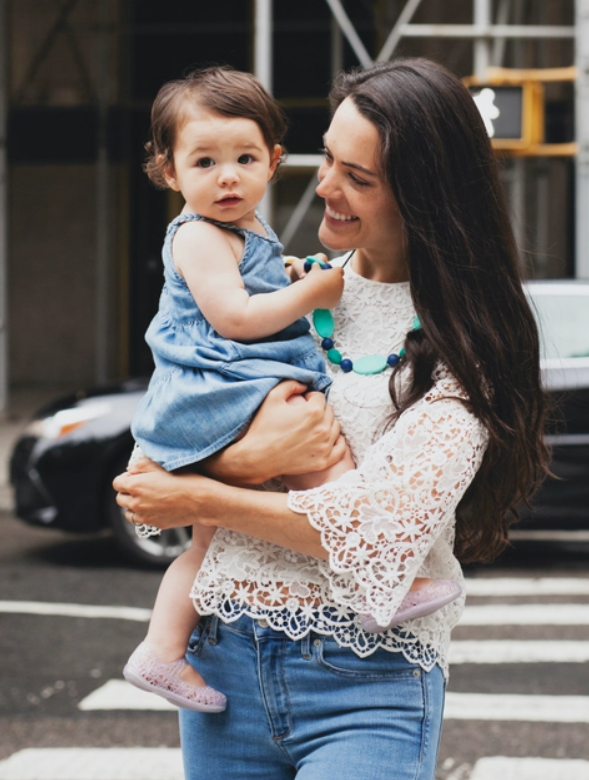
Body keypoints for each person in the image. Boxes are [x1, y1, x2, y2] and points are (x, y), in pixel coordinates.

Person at [114, 57, 549, 780]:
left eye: (359, 177)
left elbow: (379, 531)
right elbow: (147, 483)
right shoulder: (281, 286)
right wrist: (240, 465)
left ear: (425, 197)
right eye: (328, 161)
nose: (324, 187)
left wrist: (200, 493)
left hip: (370, 685)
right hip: (222, 663)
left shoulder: (471, 346)